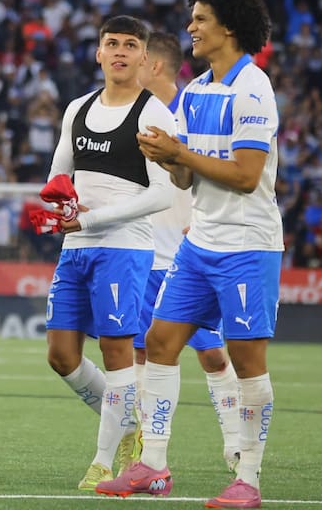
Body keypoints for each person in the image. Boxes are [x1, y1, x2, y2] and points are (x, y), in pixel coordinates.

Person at [99, 0, 281, 510]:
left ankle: (248, 478)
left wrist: (179, 153)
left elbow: (246, 175)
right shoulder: (197, 91)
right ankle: (153, 465)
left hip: (247, 244)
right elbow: (184, 180)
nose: (191, 27)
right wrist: (165, 156)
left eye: (200, 18)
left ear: (229, 25)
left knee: (245, 360)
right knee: (160, 342)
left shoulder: (253, 88)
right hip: (200, 242)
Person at [38, 15, 176, 491]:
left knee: (117, 353)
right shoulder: (77, 108)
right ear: (98, 53)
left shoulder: (154, 114)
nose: (119, 51)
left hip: (124, 248)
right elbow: (58, 175)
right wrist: (57, 207)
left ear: (145, 57)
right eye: (111, 43)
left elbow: (163, 194)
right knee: (61, 355)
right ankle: (131, 424)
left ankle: (102, 462)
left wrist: (91, 218)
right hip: (76, 246)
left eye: (130, 45)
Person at [136, 31, 241, 471]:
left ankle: (235, 443)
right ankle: (146, 451)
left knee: (212, 354)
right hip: (143, 252)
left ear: (155, 66)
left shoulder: (193, 112)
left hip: (189, 253)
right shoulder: (132, 114)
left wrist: (204, 218)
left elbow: (225, 171)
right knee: (144, 353)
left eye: (137, 58)